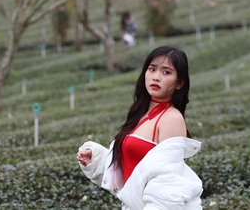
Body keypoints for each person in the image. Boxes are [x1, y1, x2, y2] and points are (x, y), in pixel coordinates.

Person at [76, 46, 202, 209]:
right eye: (152, 69)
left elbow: (168, 183)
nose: (156, 77)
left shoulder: (171, 118)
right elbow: (135, 168)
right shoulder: (140, 113)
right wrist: (97, 158)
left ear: (180, 83)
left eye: (166, 72)